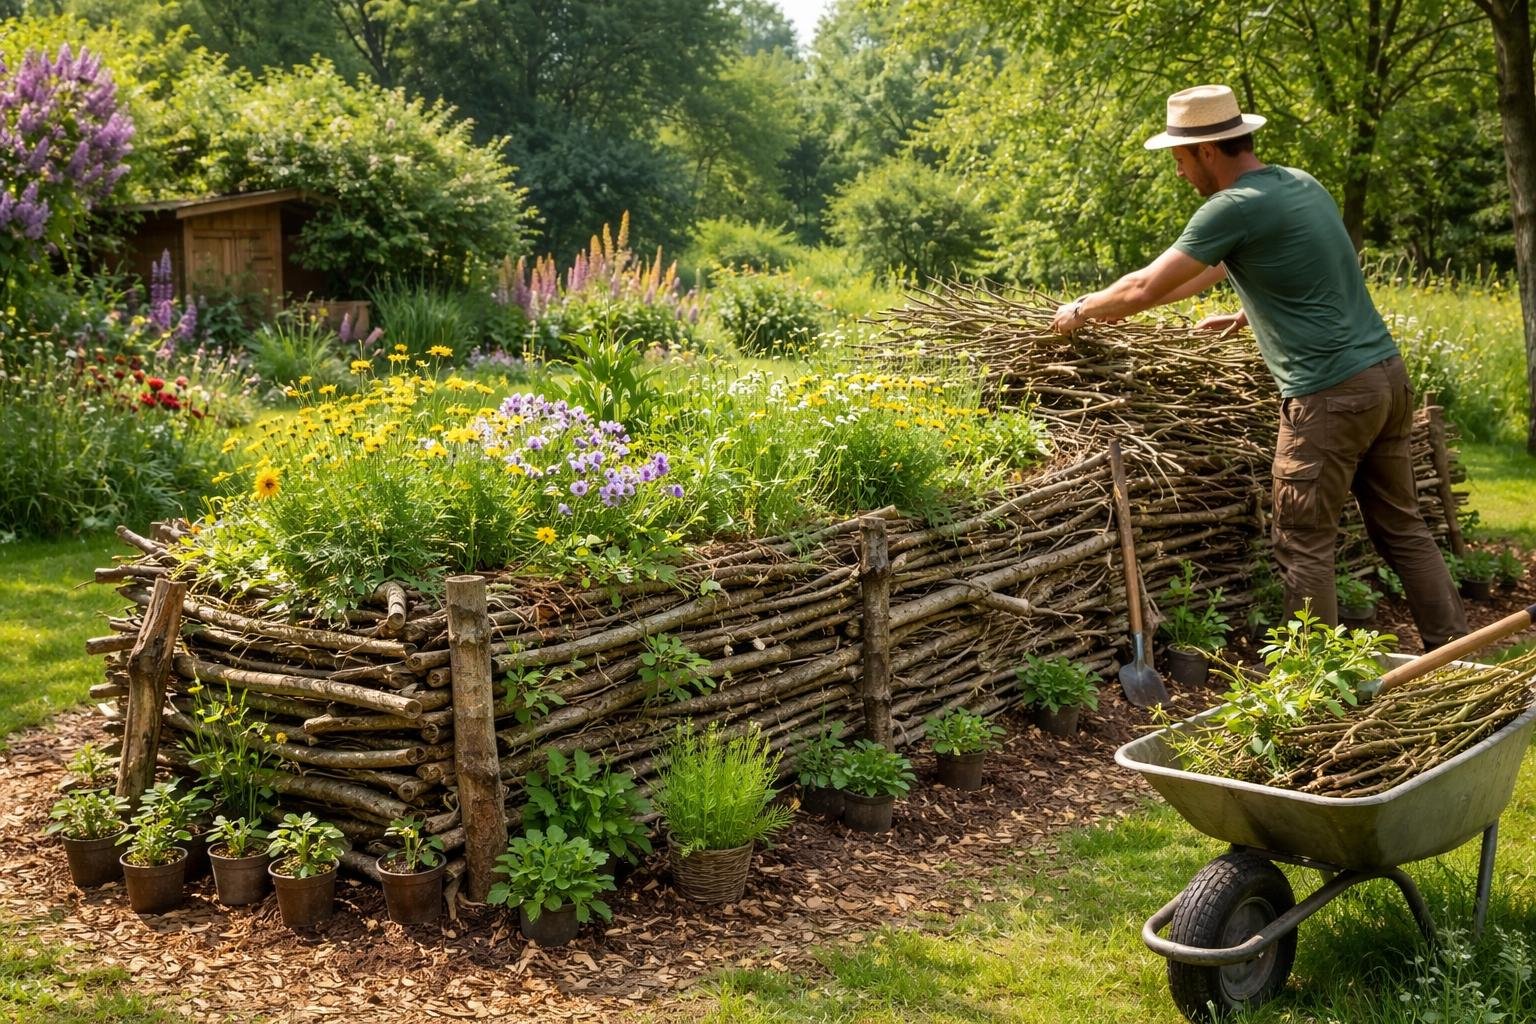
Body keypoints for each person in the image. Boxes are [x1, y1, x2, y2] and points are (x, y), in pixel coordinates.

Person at [1049, 83, 1466, 649]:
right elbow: (1281, 266)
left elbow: (1146, 284)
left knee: (1303, 542)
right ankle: (1453, 654)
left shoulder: (1232, 206)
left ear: (1208, 151)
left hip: (1328, 394)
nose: (1179, 173)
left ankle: (1314, 686)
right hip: (1385, 376)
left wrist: (1081, 310)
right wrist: (1247, 318)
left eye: (1179, 159)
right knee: (1403, 529)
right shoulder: (1299, 185)